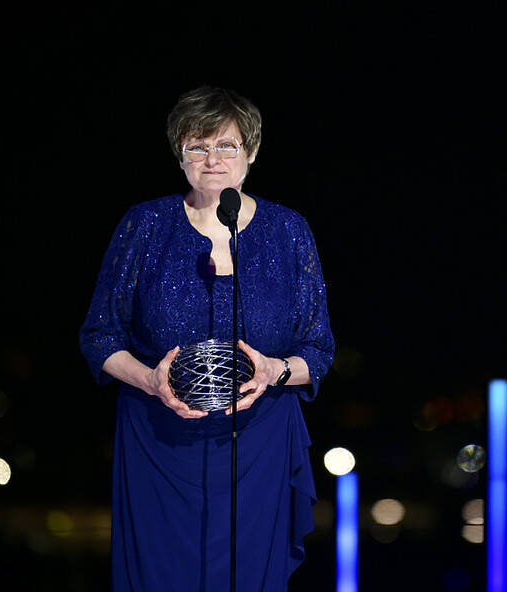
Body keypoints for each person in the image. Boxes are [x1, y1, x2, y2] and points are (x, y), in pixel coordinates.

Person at [80, 86, 334, 591]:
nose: (211, 159)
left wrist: (275, 370)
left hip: (259, 443)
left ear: (252, 153)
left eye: (226, 146)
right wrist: (150, 379)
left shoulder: (289, 231)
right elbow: (100, 336)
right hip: (159, 441)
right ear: (180, 154)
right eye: (197, 146)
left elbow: (318, 350)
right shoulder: (145, 224)